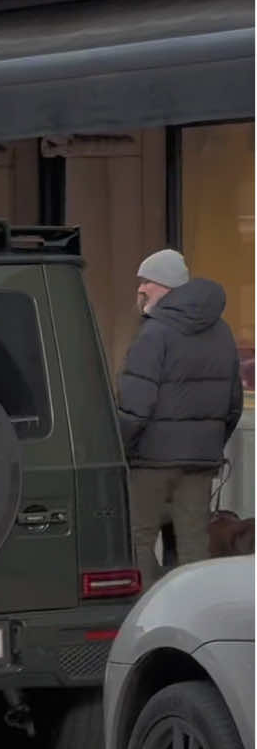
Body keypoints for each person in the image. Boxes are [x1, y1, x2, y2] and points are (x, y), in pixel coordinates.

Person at [116, 249, 242, 589]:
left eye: (147, 283)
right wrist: (209, 444)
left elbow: (135, 406)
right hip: (199, 463)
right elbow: (234, 404)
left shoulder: (155, 333)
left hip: (151, 460)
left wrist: (121, 448)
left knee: (135, 539)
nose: (141, 290)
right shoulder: (223, 332)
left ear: (167, 287)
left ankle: (149, 607)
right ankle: (190, 610)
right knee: (192, 546)